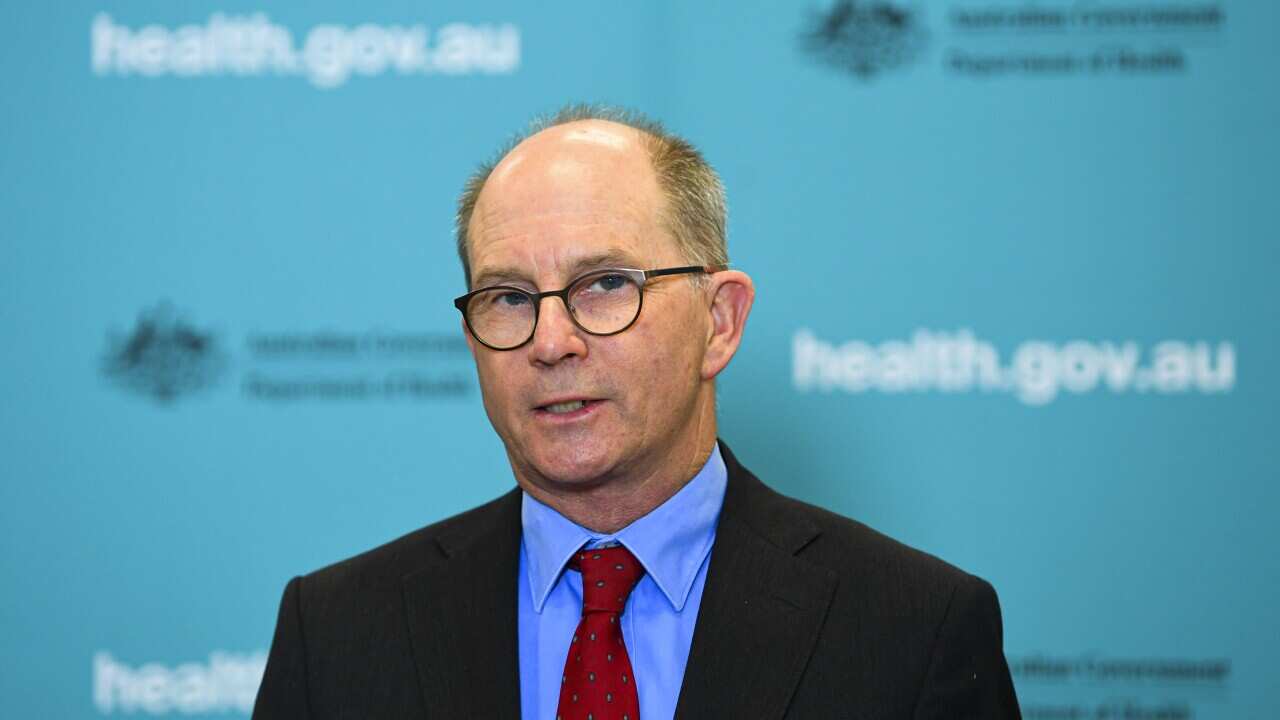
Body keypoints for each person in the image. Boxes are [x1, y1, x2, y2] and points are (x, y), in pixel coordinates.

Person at [252, 104, 1021, 719]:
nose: (551, 342)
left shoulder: (913, 629)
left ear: (719, 321)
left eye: (605, 285)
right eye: (509, 298)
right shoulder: (339, 632)